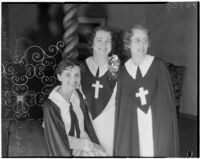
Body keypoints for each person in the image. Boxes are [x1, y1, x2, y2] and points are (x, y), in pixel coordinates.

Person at [113, 24, 179, 157]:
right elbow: (122, 109)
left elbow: (167, 106)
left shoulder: (158, 67)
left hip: (155, 126)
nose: (142, 45)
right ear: (128, 43)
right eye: (137, 40)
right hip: (133, 129)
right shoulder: (124, 71)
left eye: (145, 41)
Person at [43, 58, 108, 156]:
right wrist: (92, 146)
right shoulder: (51, 106)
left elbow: (86, 124)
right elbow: (59, 139)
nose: (73, 79)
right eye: (68, 75)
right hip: (66, 149)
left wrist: (95, 145)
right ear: (59, 77)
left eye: (77, 75)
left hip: (85, 143)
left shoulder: (77, 95)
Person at [81, 26, 119, 155]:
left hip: (111, 127)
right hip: (87, 125)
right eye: (99, 40)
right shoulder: (81, 67)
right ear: (91, 43)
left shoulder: (116, 66)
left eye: (108, 41)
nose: (104, 44)